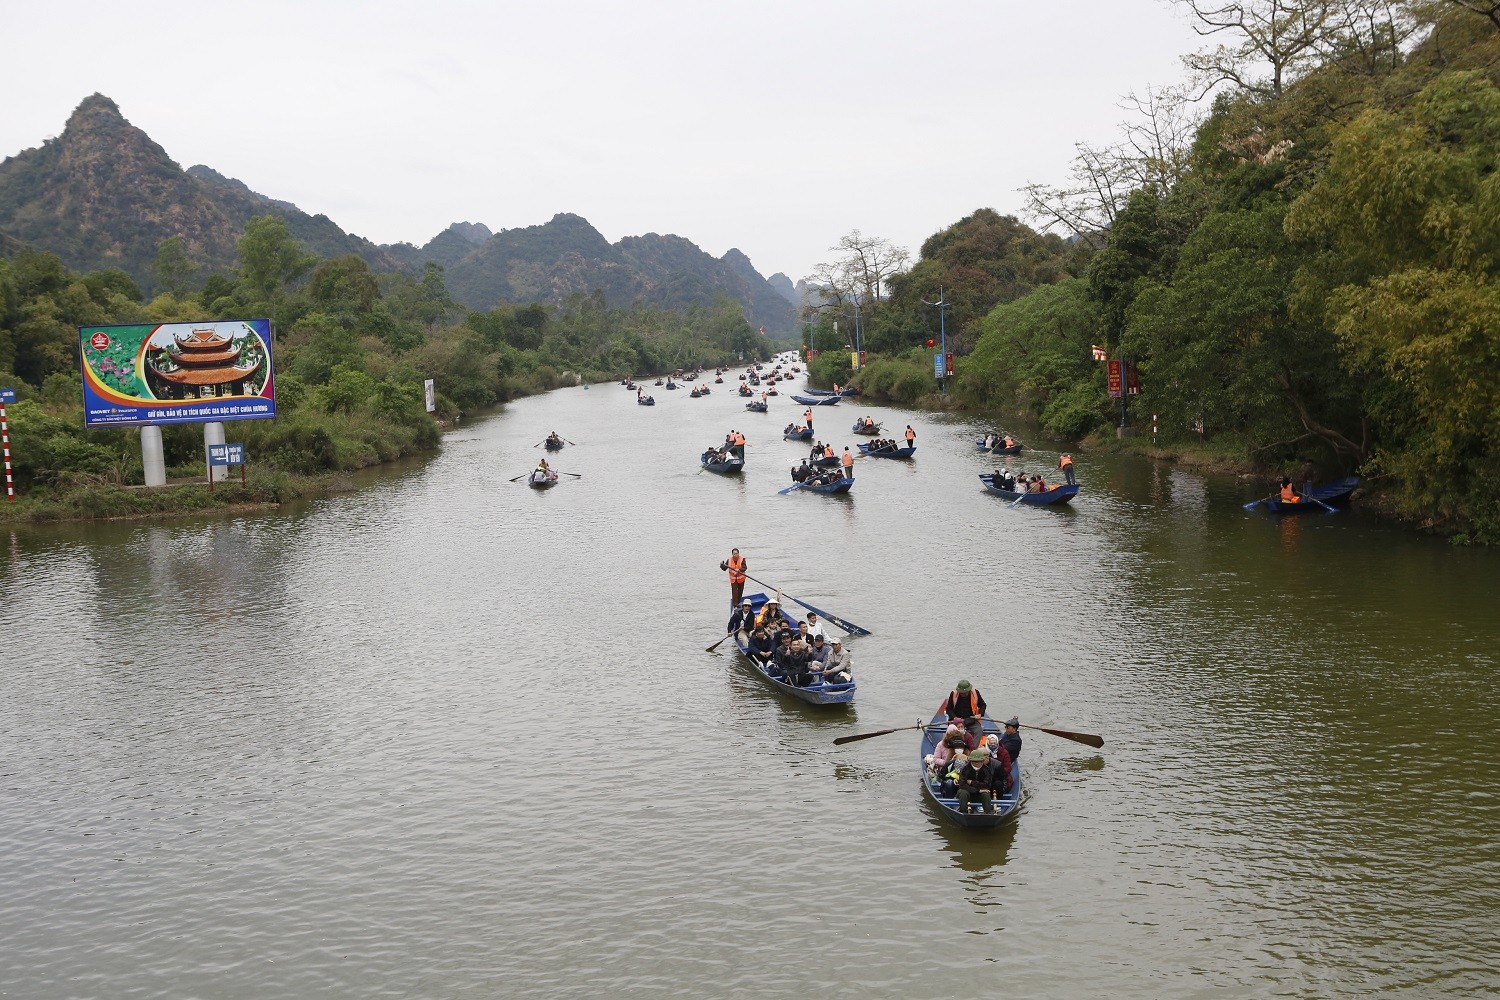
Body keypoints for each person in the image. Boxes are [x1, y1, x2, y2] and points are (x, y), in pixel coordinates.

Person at [940, 680, 987, 747]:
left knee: (979, 731)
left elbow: (983, 705)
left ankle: (972, 749)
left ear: (969, 690)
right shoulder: (954, 694)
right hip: (957, 721)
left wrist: (980, 714)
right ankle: (952, 747)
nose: (963, 694)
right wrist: (955, 718)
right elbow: (949, 709)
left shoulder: (975, 693)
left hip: (971, 720)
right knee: (951, 732)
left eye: (965, 693)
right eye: (961, 693)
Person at [955, 747, 1000, 814]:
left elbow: (987, 785)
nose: (976, 763)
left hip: (980, 794)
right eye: (974, 761)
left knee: (986, 793)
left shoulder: (987, 770)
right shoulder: (964, 769)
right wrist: (978, 790)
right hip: (967, 793)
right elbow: (962, 785)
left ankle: (988, 813)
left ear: (982, 760)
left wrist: (972, 783)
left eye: (978, 761)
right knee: (962, 792)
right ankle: (963, 812)